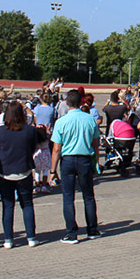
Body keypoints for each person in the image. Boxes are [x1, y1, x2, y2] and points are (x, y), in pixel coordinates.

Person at [49, 90, 102, 244]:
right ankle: (92, 229)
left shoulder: (61, 121)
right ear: (81, 102)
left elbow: (56, 149)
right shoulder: (90, 120)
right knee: (89, 196)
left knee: (68, 197)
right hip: (85, 159)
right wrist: (96, 161)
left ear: (67, 103)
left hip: (68, 160)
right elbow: (95, 143)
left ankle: (71, 232)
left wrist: (52, 170)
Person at [0, 101, 38, 248]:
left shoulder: (0, 131)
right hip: (23, 170)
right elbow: (33, 148)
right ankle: (31, 237)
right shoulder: (29, 131)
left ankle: (8, 239)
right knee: (27, 204)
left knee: (8, 205)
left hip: (4, 172)